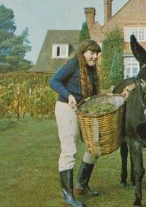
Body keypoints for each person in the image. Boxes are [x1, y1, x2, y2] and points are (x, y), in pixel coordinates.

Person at [49, 39, 101, 207]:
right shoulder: (73, 65)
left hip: (83, 111)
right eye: (92, 53)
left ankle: (81, 185)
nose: (95, 57)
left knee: (95, 146)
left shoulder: (92, 71)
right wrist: (68, 95)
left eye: (97, 54)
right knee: (69, 149)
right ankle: (66, 195)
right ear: (83, 52)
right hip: (66, 108)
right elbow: (54, 81)